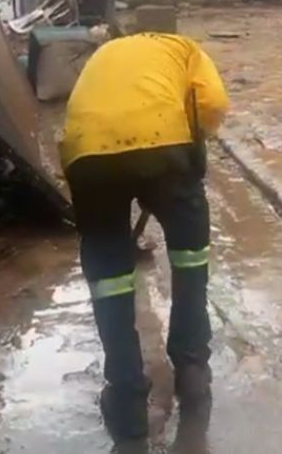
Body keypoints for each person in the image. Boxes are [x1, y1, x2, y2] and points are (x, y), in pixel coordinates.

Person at [60, 29, 229, 441]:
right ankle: (191, 368)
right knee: (190, 260)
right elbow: (212, 103)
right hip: (164, 146)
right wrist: (191, 148)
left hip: (87, 153)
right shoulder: (185, 48)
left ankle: (126, 394)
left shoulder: (104, 55)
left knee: (108, 277)